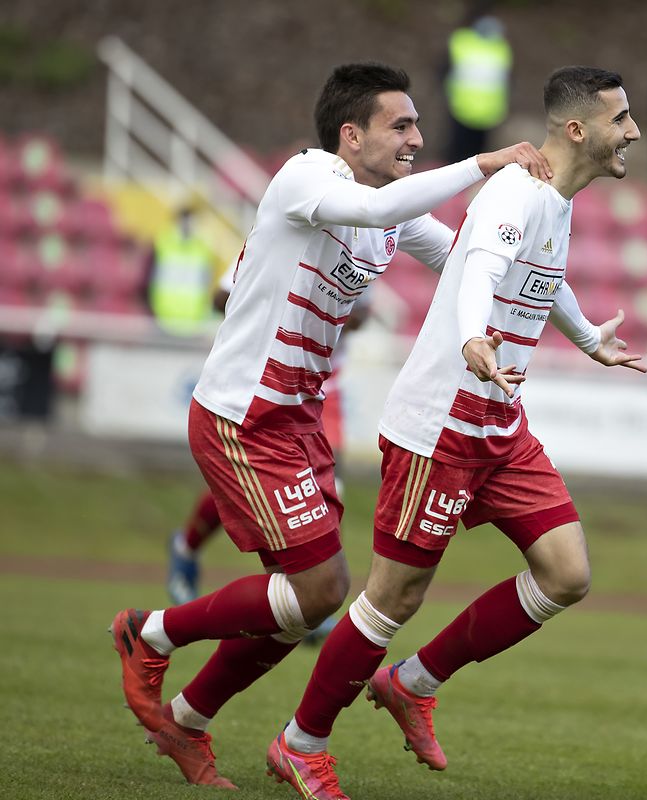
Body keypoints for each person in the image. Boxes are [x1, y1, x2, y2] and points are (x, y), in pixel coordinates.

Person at [110, 61, 552, 790]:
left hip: (299, 420)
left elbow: (470, 260)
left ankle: (186, 722)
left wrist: (553, 288)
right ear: (351, 135)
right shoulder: (305, 179)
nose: (415, 138)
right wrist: (483, 162)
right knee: (316, 594)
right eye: (400, 126)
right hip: (243, 414)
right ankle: (148, 632)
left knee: (302, 602)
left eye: (416, 126)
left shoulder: (389, 204)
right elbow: (381, 215)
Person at [265, 65, 645, 800]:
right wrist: (474, 338)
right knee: (391, 600)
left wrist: (588, 337)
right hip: (440, 426)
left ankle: (414, 682)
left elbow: (538, 276)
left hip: (499, 423)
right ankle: (300, 742)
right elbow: (480, 264)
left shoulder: (554, 201)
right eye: (620, 118)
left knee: (567, 574)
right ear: (577, 130)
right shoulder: (512, 189)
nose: (631, 131)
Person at [165, 264, 370, 637]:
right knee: (248, 484)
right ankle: (187, 546)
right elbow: (220, 295)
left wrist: (340, 306)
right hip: (265, 383)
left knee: (326, 489)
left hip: (322, 388)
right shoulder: (285, 235)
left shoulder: (365, 234)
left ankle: (311, 591)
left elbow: (363, 313)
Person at [442, 11, 513, 165]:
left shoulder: (501, 48)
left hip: (486, 113)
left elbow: (506, 80)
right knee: (458, 154)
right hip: (462, 108)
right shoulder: (462, 42)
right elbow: (445, 69)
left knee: (476, 158)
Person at [145, 205, 219, 336]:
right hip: (163, 321)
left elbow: (207, 283)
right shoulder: (161, 243)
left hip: (193, 324)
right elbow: (147, 279)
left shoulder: (203, 249)